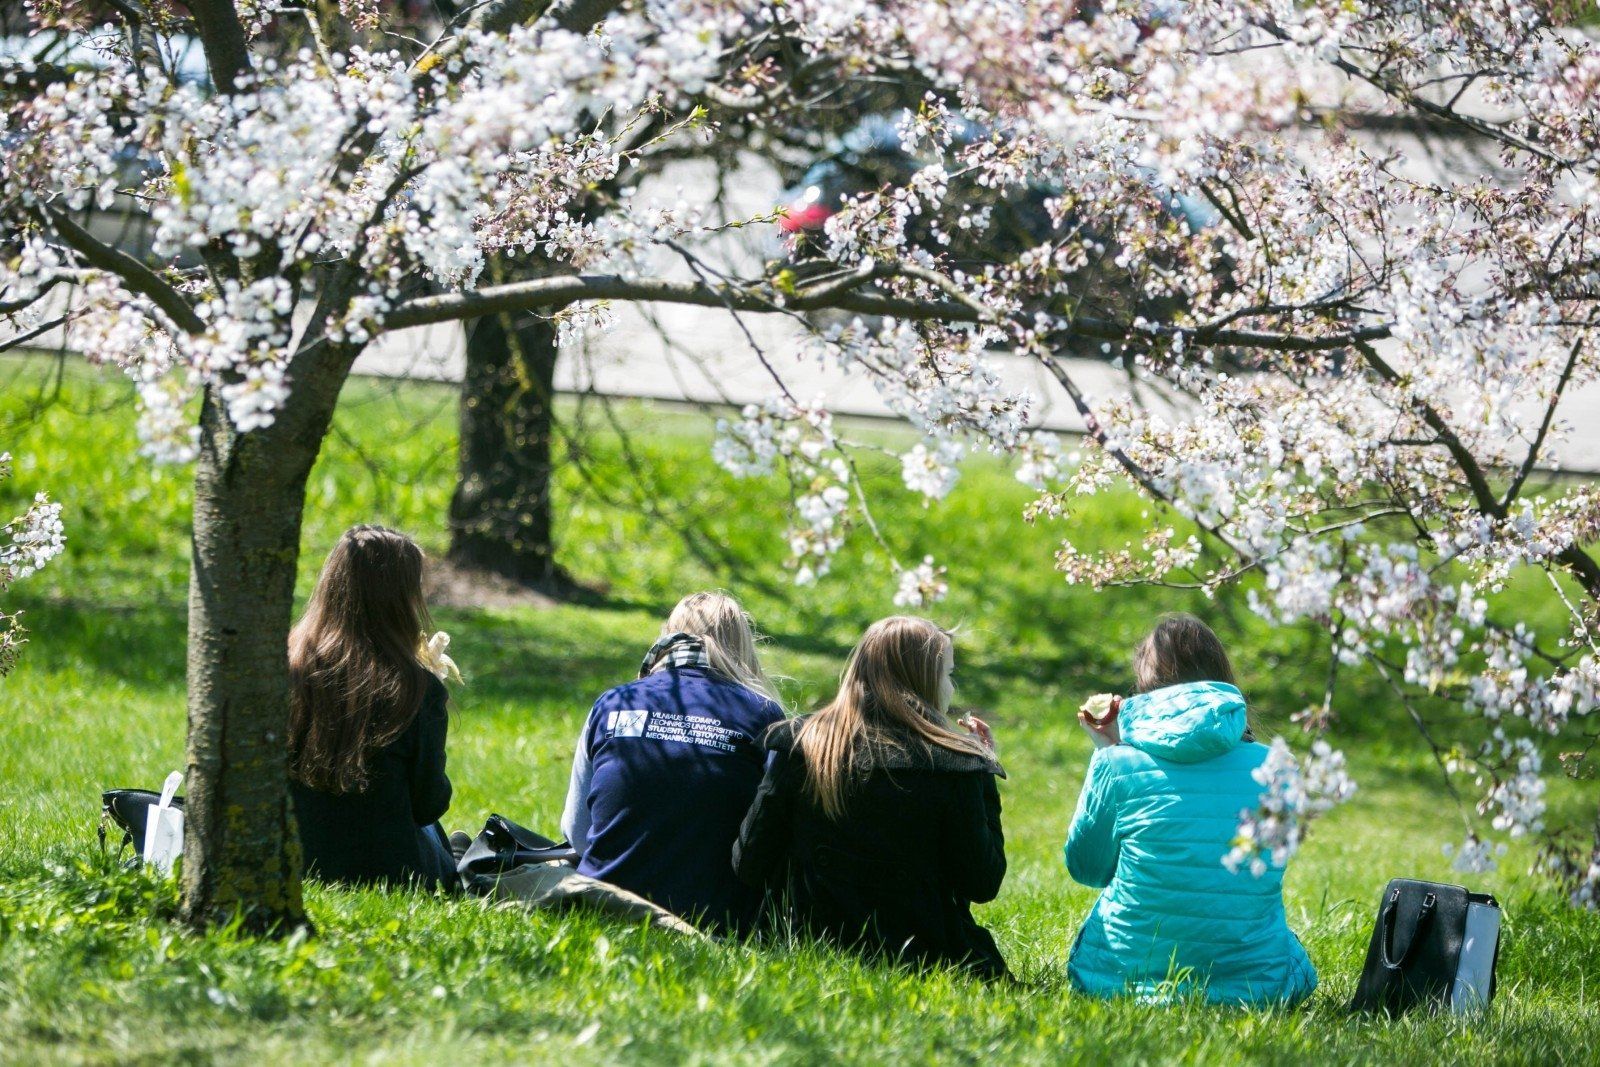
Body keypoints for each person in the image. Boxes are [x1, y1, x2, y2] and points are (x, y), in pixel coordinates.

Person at [1064, 613, 1318, 1006]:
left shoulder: (1115, 764)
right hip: (1255, 983)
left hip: (1119, 975)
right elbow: (1259, 878)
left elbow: (1087, 870)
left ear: (1145, 688)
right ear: (1222, 679)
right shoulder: (1279, 768)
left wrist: (1109, 754)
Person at [733, 616, 1008, 979]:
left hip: (807, 947)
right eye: (948, 675)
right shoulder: (955, 763)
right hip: (928, 955)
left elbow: (749, 862)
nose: (950, 688)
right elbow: (982, 882)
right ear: (925, 681)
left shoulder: (801, 744)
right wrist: (983, 768)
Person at [560, 591, 786, 933]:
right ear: (742, 646)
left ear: (667, 636)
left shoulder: (612, 703)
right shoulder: (764, 716)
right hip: (715, 920)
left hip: (601, 907)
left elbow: (577, 832)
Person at [287, 525, 457, 891]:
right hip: (392, 874)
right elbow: (429, 803)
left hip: (294, 859)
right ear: (401, 600)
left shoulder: (287, 669)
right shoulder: (415, 686)